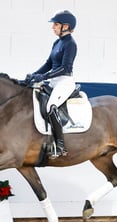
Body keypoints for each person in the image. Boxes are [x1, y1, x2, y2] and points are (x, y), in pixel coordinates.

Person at [25, 10, 77, 158]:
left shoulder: (70, 44)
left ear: (65, 26)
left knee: (50, 106)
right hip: (54, 80)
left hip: (64, 82)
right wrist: (35, 75)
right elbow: (49, 63)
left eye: (56, 24)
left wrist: (44, 76)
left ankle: (60, 145)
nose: (53, 27)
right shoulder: (57, 42)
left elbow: (65, 68)